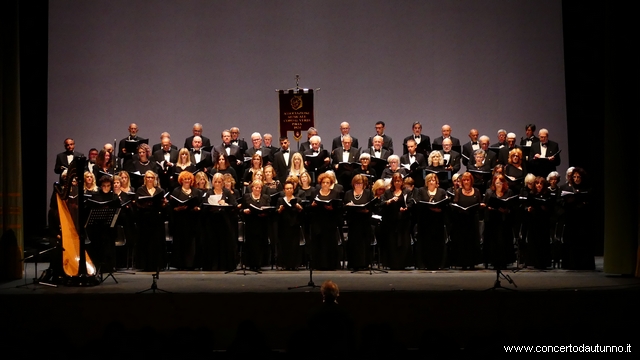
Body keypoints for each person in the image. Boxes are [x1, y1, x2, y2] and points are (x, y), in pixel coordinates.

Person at [201, 172, 238, 271]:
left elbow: (234, 205)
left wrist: (225, 204)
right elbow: (203, 206)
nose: (217, 184)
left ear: (222, 182)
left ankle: (225, 265)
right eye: (215, 182)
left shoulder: (226, 192)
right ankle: (213, 265)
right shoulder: (209, 192)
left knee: (225, 244)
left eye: (219, 182)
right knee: (212, 244)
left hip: (225, 222)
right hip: (212, 222)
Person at [561, 167, 594, 270]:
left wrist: (582, 203)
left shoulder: (587, 188)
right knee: (571, 242)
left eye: (578, 177)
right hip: (571, 218)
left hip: (583, 219)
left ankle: (584, 264)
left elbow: (591, 202)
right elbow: (562, 202)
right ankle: (571, 264)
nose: (576, 179)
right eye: (574, 177)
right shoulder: (569, 188)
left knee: (583, 241)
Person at [379, 172, 412, 270]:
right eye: (395, 181)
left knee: (403, 242)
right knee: (392, 243)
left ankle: (403, 263)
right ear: (393, 182)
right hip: (391, 221)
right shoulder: (388, 192)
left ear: (402, 182)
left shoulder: (406, 191)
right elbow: (381, 203)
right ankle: (392, 264)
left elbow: (410, 203)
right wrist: (388, 202)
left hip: (403, 221)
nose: (397, 183)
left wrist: (406, 208)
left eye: (399, 181)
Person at [414, 173, 448, 269]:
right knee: (425, 243)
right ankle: (424, 264)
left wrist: (440, 209)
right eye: (430, 180)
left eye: (433, 180)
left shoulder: (441, 191)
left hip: (437, 221)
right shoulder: (421, 190)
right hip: (425, 221)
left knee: (437, 243)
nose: (432, 182)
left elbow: (445, 204)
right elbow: (418, 202)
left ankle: (438, 264)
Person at [169, 171, 201, 270]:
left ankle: (191, 264)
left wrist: (197, 208)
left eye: (188, 179)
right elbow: (172, 207)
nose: (187, 181)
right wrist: (177, 209)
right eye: (185, 179)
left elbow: (200, 204)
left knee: (192, 243)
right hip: (180, 221)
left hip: (192, 221)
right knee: (180, 242)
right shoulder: (176, 191)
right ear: (181, 180)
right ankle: (180, 264)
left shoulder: (196, 191)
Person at [135, 170, 167, 271]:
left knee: (156, 242)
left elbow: (162, 205)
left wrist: (164, 204)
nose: (149, 179)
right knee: (145, 242)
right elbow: (137, 204)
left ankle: (157, 265)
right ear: (145, 179)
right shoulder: (140, 190)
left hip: (157, 219)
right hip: (144, 220)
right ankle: (145, 265)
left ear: (155, 179)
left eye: (151, 177)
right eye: (148, 177)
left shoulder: (160, 191)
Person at [309, 172, 342, 270]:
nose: (325, 184)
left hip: (330, 222)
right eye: (324, 182)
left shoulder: (335, 193)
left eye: (328, 182)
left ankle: (331, 265)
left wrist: (332, 208)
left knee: (329, 244)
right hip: (318, 222)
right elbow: (309, 207)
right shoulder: (315, 193)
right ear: (320, 183)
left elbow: (339, 208)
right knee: (318, 244)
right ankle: (318, 265)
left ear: (331, 183)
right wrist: (312, 206)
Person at [482, 174, 516, 269]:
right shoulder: (489, 192)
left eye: (500, 182)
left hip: (504, 220)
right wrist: (489, 207)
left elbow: (512, 206)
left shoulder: (509, 192)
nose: (499, 184)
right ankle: (494, 261)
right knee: (494, 241)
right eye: (497, 183)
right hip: (492, 220)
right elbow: (486, 204)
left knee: (504, 240)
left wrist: (506, 210)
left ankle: (504, 261)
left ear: (504, 183)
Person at [450, 172, 482, 269]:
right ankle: (463, 263)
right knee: (462, 242)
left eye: (468, 180)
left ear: (471, 181)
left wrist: (481, 206)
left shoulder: (476, 191)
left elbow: (479, 203)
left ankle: (472, 263)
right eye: (464, 180)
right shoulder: (458, 191)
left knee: (472, 241)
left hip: (472, 220)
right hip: (462, 220)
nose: (466, 182)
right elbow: (455, 203)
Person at [343, 174, 375, 270]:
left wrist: (367, 211)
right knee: (354, 243)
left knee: (364, 243)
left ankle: (364, 263)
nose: (358, 185)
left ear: (364, 184)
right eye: (356, 184)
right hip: (353, 222)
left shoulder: (368, 193)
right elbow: (345, 206)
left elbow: (372, 206)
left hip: (364, 222)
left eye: (360, 184)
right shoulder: (349, 193)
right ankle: (353, 263)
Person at [241, 180, 271, 270]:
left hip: (261, 224)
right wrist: (244, 211)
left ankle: (259, 264)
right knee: (250, 243)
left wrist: (264, 212)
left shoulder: (265, 197)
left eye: (259, 188)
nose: (258, 189)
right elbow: (241, 209)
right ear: (252, 188)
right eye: (256, 187)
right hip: (250, 223)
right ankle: (250, 263)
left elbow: (268, 208)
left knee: (260, 243)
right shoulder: (246, 197)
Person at [525, 176, 553, 269]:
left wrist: (545, 208)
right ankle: (534, 262)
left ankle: (544, 262)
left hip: (544, 221)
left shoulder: (548, 194)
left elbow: (551, 208)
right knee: (534, 241)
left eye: (541, 184)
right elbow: (526, 206)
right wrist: (528, 209)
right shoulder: (531, 194)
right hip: (534, 221)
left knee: (544, 241)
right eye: (537, 183)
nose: (539, 185)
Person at [277, 179, 304, 270]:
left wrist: (299, 207)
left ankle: (294, 265)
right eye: (287, 189)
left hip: (294, 226)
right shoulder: (280, 200)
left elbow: (302, 213)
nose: (289, 190)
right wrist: (280, 210)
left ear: (293, 189)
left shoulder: (298, 200)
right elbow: (276, 213)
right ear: (284, 190)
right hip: (283, 226)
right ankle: (284, 264)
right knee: (284, 245)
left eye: (290, 188)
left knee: (294, 246)